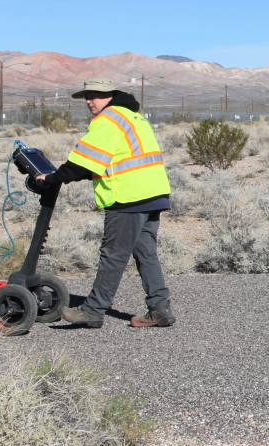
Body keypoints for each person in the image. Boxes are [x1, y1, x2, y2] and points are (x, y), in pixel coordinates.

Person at [35, 77, 174, 328]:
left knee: (113, 255)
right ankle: (160, 309)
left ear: (110, 95)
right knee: (146, 254)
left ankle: (93, 310)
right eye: (86, 96)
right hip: (153, 193)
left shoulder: (108, 119)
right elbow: (107, 161)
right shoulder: (133, 116)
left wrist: (52, 178)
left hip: (128, 195)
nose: (89, 101)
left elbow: (82, 162)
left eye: (95, 95)